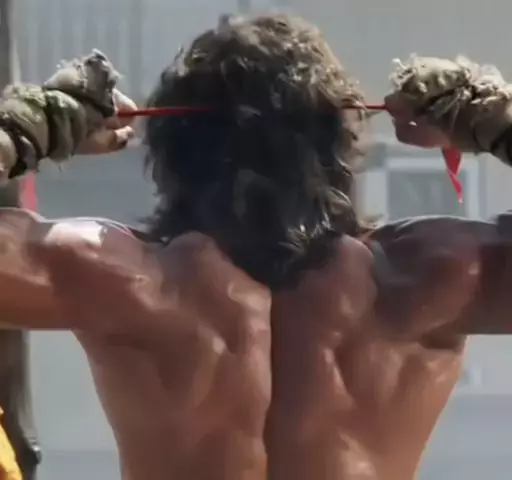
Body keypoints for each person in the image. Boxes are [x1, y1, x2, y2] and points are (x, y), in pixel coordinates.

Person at [0, 12, 511, 480]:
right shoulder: (424, 278)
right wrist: (490, 117)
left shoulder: (119, 277)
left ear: (174, 147)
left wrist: (30, 127)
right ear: (337, 142)